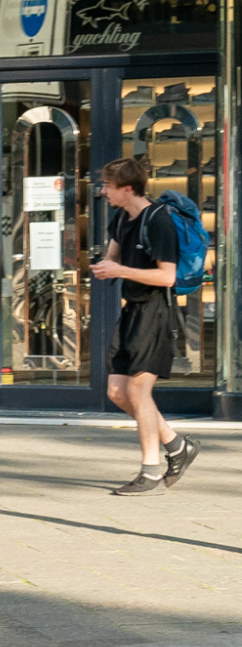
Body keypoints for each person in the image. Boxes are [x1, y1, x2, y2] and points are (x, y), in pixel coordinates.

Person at [93, 157, 202, 495]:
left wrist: (120, 271)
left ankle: (151, 472)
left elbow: (166, 276)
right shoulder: (121, 217)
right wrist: (106, 264)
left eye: (108, 186)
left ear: (127, 188)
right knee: (116, 392)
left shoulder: (159, 221)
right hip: (131, 311)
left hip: (155, 311)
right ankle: (177, 446)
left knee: (139, 393)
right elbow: (114, 256)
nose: (103, 191)